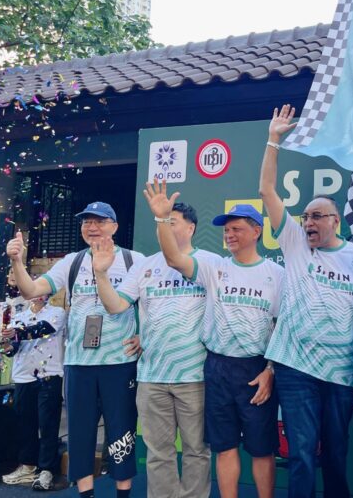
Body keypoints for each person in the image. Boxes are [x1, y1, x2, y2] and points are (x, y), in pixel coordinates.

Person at [260, 104, 353, 498]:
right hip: (296, 367)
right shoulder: (292, 242)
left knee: (337, 454)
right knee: (302, 454)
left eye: (318, 216)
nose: (308, 221)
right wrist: (274, 140)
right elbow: (267, 191)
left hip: (341, 371)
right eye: (306, 215)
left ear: (336, 221)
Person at [7, 202, 143, 498]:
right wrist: (17, 261)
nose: (91, 227)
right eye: (86, 222)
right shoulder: (72, 261)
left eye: (99, 221)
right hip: (79, 364)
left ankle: (123, 493)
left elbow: (154, 308)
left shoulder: (135, 261)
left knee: (121, 432)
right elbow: (31, 290)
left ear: (115, 226)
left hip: (119, 363)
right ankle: (85, 494)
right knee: (80, 435)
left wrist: (144, 337)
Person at [93, 199, 214, 498]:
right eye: (161, 222)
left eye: (171, 222)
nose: (165, 227)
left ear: (191, 227)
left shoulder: (210, 263)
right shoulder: (146, 266)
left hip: (194, 376)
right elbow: (116, 305)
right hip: (152, 377)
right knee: (159, 452)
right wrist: (101, 274)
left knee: (197, 451)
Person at [0, 292, 66, 491]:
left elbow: (44, 329)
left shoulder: (58, 312)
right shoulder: (19, 317)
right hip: (23, 376)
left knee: (48, 423)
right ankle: (28, 465)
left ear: (49, 294)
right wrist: (7, 345)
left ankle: (47, 469)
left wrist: (16, 333)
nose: (37, 295)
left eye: (42, 291)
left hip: (49, 374)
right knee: (25, 423)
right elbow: (13, 348)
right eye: (33, 291)